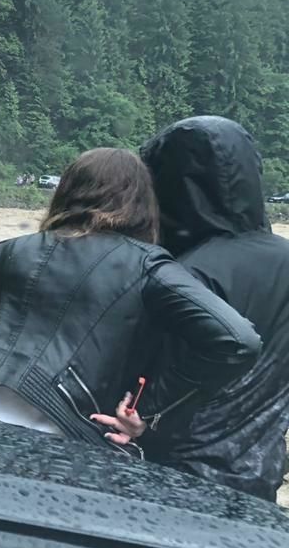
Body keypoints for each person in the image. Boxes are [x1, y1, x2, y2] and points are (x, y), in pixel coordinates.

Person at [0, 147, 260, 453]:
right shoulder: (148, 267)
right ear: (142, 203)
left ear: (67, 191)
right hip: (67, 444)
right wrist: (145, 409)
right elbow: (238, 340)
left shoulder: (10, 252)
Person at [95, 116, 289, 501]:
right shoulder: (284, 257)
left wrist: (143, 417)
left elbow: (148, 375)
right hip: (261, 468)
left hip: (175, 472)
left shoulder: (184, 273)